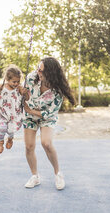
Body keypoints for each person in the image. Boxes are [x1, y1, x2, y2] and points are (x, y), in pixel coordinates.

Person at [22, 57, 75, 190]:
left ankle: (58, 173)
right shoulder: (31, 78)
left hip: (46, 116)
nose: (38, 72)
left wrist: (31, 110)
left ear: (50, 73)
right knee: (29, 146)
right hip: (30, 115)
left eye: (42, 71)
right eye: (38, 69)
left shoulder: (57, 91)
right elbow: (20, 92)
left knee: (46, 143)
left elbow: (50, 113)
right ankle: (35, 176)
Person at [0, 65, 29, 153]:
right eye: (14, 82)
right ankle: (0, 142)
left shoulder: (19, 88)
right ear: (7, 79)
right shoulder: (2, 86)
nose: (16, 84)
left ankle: (10, 139)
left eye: (18, 81)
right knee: (2, 128)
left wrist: (25, 93)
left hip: (15, 114)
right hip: (3, 113)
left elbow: (27, 98)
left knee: (11, 130)